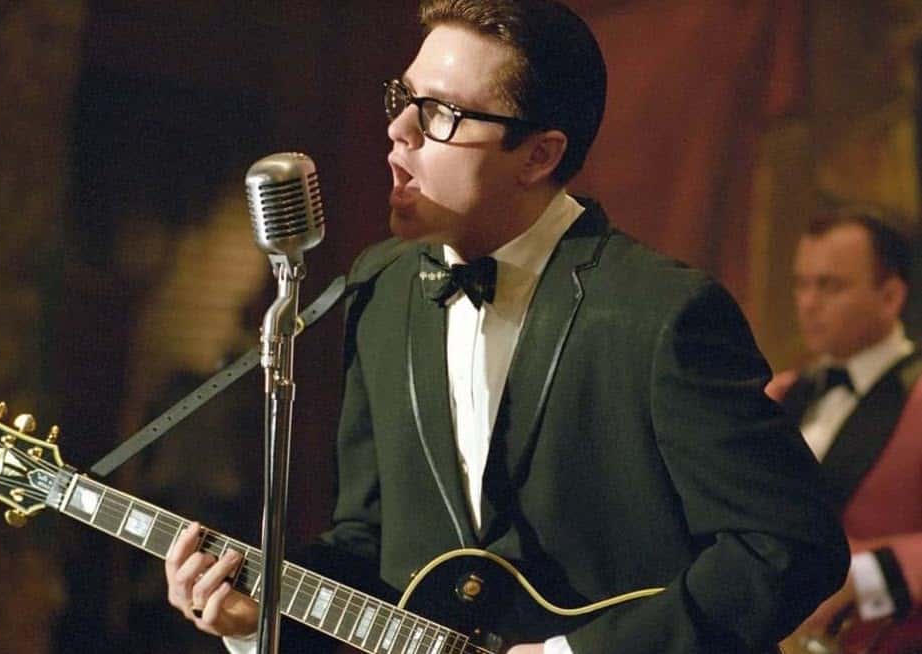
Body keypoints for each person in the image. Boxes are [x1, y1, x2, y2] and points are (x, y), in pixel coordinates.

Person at [165, 1, 849, 652]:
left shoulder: (664, 312)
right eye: (402, 98)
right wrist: (257, 618)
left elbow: (787, 547)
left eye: (439, 113)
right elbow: (369, 543)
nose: (399, 129)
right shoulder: (382, 286)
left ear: (538, 156)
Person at [767, 210, 922, 653]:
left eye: (830, 286)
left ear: (890, 296)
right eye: (801, 284)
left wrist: (865, 576)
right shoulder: (779, 393)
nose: (807, 303)